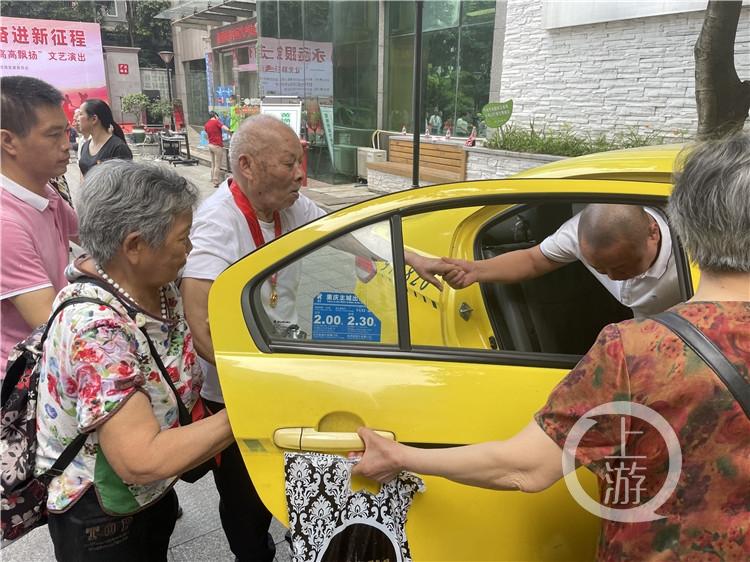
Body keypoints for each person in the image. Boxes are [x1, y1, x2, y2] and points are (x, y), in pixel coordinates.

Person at [353, 133, 750, 561]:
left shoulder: (634, 353)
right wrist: (472, 270)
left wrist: (399, 455)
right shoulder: (596, 264)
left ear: (680, 225)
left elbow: (525, 468)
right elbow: (535, 258)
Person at [181, 114, 449, 561]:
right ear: (247, 166)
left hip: (276, 365)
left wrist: (411, 257)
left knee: (282, 470)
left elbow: (346, 234)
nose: (301, 173)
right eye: (289, 163)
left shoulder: (289, 206)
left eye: (300, 160)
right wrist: (252, 386)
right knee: (244, 493)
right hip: (234, 388)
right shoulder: (217, 222)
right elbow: (201, 322)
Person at [35, 160, 234, 561]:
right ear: (134, 246)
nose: (190, 250)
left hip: (149, 494)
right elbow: (141, 459)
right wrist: (246, 412)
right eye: (182, 239)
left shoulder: (153, 286)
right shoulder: (97, 330)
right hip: (101, 514)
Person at [443, 204, 681, 317]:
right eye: (599, 268)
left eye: (622, 266)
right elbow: (533, 259)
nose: (613, 277)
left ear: (653, 234)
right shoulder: (581, 233)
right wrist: (474, 270)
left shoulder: (689, 257)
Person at [0, 76, 78, 374]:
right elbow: (51, 323)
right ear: (8, 141)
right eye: (53, 135)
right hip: (24, 380)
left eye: (67, 132)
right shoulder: (6, 224)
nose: (66, 145)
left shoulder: (45, 193)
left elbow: (96, 237)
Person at [77, 98, 132, 176]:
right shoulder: (85, 146)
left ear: (94, 119)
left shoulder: (118, 148)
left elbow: (126, 182)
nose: (77, 119)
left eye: (80, 114)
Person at [204, 111, 230, 188]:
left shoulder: (206, 124)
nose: (218, 118)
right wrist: (229, 130)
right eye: (217, 116)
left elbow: (207, 134)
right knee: (218, 164)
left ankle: (212, 178)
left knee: (213, 163)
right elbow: (225, 128)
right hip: (217, 146)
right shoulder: (216, 122)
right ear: (215, 115)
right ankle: (216, 181)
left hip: (210, 145)